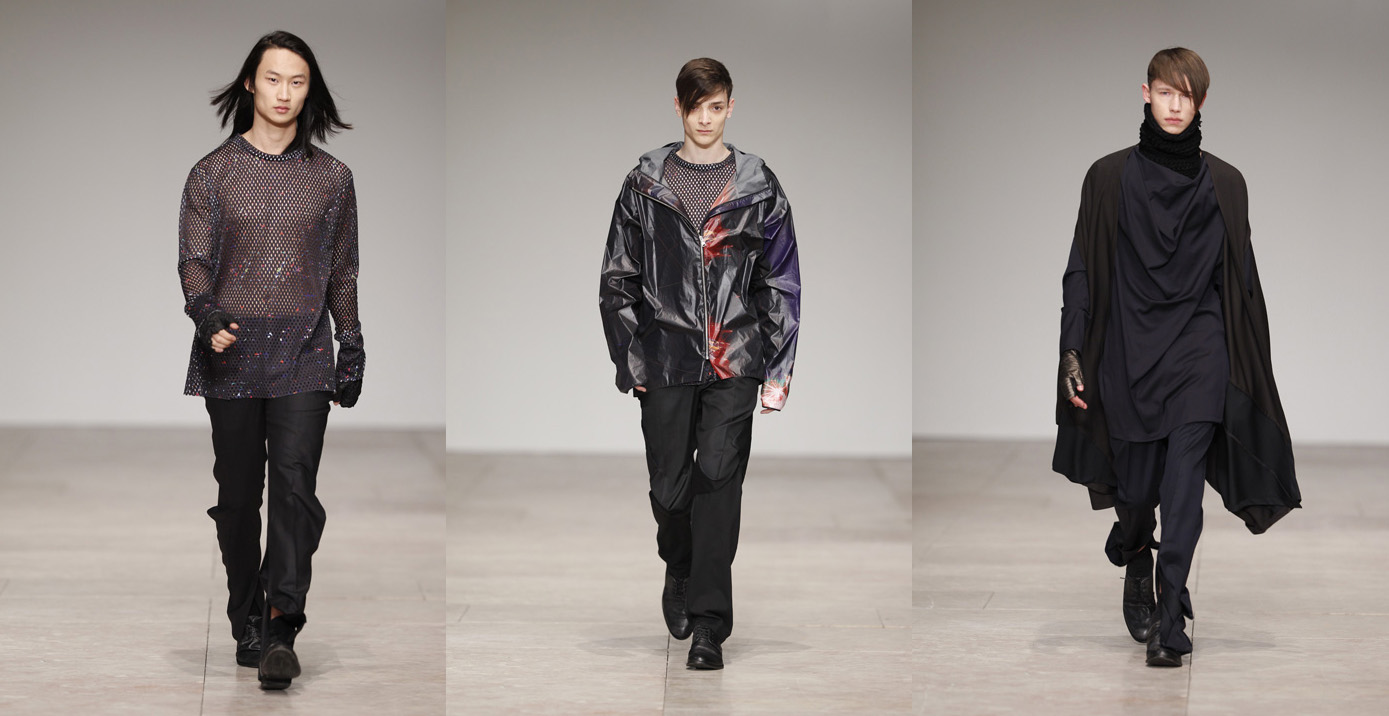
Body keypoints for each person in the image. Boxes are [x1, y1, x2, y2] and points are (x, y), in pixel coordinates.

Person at [1053, 47, 1300, 668]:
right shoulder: (1107, 177)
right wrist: (1073, 347)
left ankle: (1170, 624)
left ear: (1201, 103)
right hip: (1128, 348)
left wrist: (1248, 366)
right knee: (1137, 490)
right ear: (1145, 93)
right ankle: (1136, 552)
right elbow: (1082, 268)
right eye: (1165, 92)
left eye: (1185, 96)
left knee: (1183, 484)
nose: (1174, 105)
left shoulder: (1227, 184)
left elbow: (1241, 282)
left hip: (1199, 348)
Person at [599, 58, 801, 670]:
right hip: (663, 355)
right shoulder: (645, 184)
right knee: (670, 489)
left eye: (716, 107)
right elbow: (617, 277)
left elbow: (780, 280)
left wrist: (778, 369)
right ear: (678, 108)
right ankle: (679, 565)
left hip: (736, 356)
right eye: (695, 107)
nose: (706, 119)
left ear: (731, 107)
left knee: (719, 481)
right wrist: (631, 356)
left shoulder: (758, 186)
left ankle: (710, 626)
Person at [178, 30, 363, 690]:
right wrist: (206, 318)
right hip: (232, 353)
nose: (284, 93)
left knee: (294, 488)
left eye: (297, 81)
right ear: (250, 83)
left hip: (306, 353)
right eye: (274, 79)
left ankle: (281, 624)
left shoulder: (332, 179)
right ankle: (246, 616)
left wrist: (351, 343)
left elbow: (342, 270)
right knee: (237, 499)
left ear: (310, 92)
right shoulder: (211, 174)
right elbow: (195, 262)